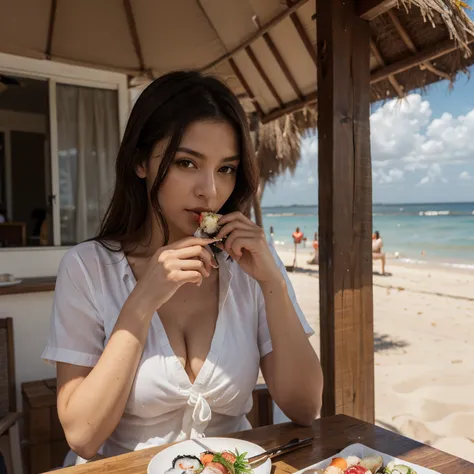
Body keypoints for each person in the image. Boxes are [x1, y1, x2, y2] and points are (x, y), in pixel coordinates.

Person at [42, 71, 323, 464]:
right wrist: (142, 302)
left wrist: (272, 282)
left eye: (226, 168)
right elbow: (82, 437)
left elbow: (305, 406)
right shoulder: (88, 268)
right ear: (141, 161)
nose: (210, 190)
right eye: (187, 162)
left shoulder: (252, 265)